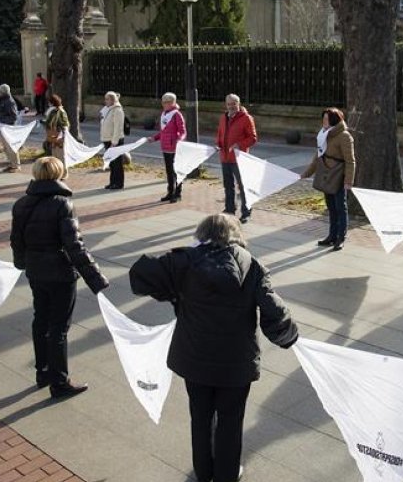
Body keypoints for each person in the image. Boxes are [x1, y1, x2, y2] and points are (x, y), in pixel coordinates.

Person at [130, 214, 299, 482]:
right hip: (236, 364)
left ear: (201, 234)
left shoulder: (184, 261)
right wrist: (288, 337)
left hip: (194, 360)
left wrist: (175, 283)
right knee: (231, 421)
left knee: (200, 416)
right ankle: (227, 475)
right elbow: (275, 312)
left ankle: (204, 471)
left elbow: (140, 275)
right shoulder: (251, 265)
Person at [10, 157, 109, 398]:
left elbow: (16, 240)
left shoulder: (21, 203)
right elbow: (75, 246)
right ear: (59, 174)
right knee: (58, 328)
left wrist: (22, 262)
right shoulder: (63, 204)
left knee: (40, 320)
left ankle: (42, 371)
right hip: (60, 273)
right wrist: (95, 278)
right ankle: (60, 381)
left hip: (36, 270)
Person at [300, 108, 355, 251]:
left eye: (326, 119)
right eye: (323, 119)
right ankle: (331, 235)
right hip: (326, 174)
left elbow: (350, 161)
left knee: (340, 208)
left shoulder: (344, 136)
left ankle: (340, 238)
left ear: (334, 120)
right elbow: (318, 156)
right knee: (331, 208)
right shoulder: (323, 134)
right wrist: (306, 173)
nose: (323, 121)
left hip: (338, 176)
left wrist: (348, 181)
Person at [216, 94, 257, 223]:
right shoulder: (223, 117)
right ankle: (229, 208)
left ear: (238, 104)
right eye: (229, 104)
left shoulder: (246, 118)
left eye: (234, 103)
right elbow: (220, 134)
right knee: (228, 185)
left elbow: (253, 138)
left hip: (239, 158)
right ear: (226, 105)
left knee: (243, 186)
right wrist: (218, 144)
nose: (231, 106)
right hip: (225, 157)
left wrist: (239, 145)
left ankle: (246, 212)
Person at [149, 92, 186, 203]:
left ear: (172, 103)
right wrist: (154, 138)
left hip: (174, 147)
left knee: (176, 172)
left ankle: (177, 194)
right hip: (165, 147)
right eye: (163, 102)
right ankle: (170, 192)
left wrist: (179, 140)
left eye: (166, 102)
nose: (164, 104)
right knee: (169, 172)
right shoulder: (164, 114)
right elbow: (163, 132)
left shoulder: (177, 114)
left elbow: (183, 131)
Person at [99, 91, 125, 190]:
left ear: (112, 100)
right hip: (107, 139)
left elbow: (118, 127)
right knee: (111, 162)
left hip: (115, 140)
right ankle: (112, 182)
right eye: (105, 99)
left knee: (117, 162)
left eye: (107, 99)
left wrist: (114, 142)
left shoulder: (117, 110)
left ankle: (119, 183)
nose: (105, 101)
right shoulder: (108, 109)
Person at [0, 84, 20, 173]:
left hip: (8, 128)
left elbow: (14, 116)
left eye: (0, 91)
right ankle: (11, 163)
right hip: (4, 128)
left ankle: (15, 165)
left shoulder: (10, 102)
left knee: (11, 147)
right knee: (6, 148)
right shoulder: (4, 100)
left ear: (3, 92)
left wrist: (1, 120)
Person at [44, 94, 69, 164]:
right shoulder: (52, 111)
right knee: (55, 158)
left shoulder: (60, 111)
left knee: (61, 157)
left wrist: (63, 137)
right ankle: (57, 173)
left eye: (49, 102)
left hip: (59, 137)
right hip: (53, 137)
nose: (48, 104)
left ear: (52, 102)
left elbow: (65, 125)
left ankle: (63, 173)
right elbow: (49, 122)